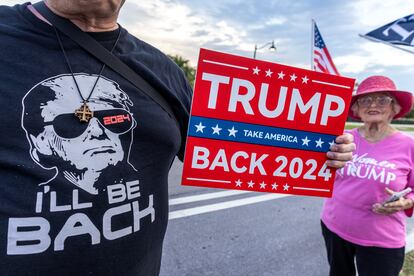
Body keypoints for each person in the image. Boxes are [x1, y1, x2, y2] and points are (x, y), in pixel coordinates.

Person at [0, 1, 355, 275]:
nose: (98, 130)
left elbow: (224, 150)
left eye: (116, 119)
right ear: (42, 143)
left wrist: (320, 147)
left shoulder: (161, 69)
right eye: (71, 124)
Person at [321, 75, 414, 276]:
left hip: (382, 239)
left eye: (382, 99)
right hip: (334, 226)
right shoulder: (341, 138)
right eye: (365, 100)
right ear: (356, 109)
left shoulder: (409, 146)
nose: (373, 104)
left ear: (394, 108)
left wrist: (405, 203)